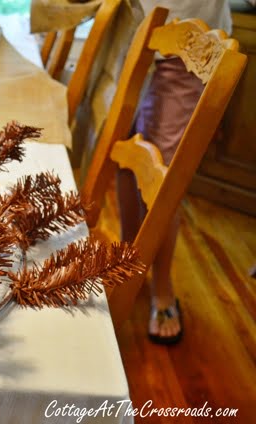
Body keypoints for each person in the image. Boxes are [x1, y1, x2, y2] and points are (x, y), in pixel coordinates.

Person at [118, 0, 232, 344]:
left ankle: (162, 288)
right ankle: (128, 259)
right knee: (124, 152)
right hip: (134, 31)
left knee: (163, 175)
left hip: (189, 45)